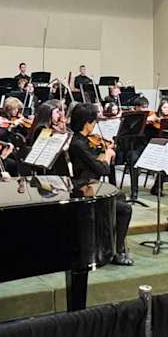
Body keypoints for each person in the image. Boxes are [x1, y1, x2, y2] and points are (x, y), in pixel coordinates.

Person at [67, 103, 133, 265]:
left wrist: (103, 152)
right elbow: (102, 169)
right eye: (94, 122)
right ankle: (117, 252)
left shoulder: (80, 140)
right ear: (87, 123)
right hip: (85, 189)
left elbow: (94, 162)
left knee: (120, 196)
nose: (95, 126)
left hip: (89, 184)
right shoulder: (78, 144)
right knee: (125, 209)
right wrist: (108, 154)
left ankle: (108, 243)